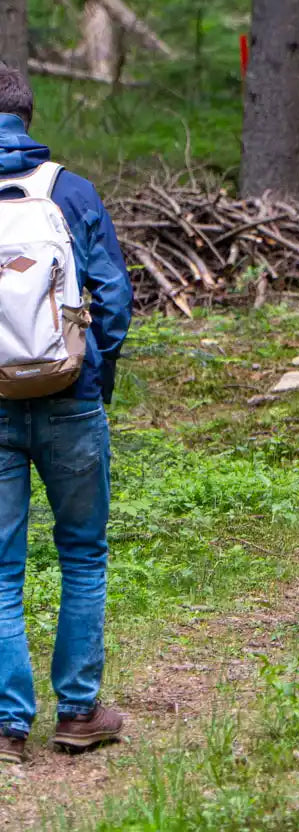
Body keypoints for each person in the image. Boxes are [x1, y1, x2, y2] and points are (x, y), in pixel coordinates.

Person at [0, 68, 132, 764]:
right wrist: (94, 378)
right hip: (69, 395)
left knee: (0, 571)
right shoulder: (70, 190)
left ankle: (7, 726)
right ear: (27, 114)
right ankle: (79, 714)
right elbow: (112, 294)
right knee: (82, 553)